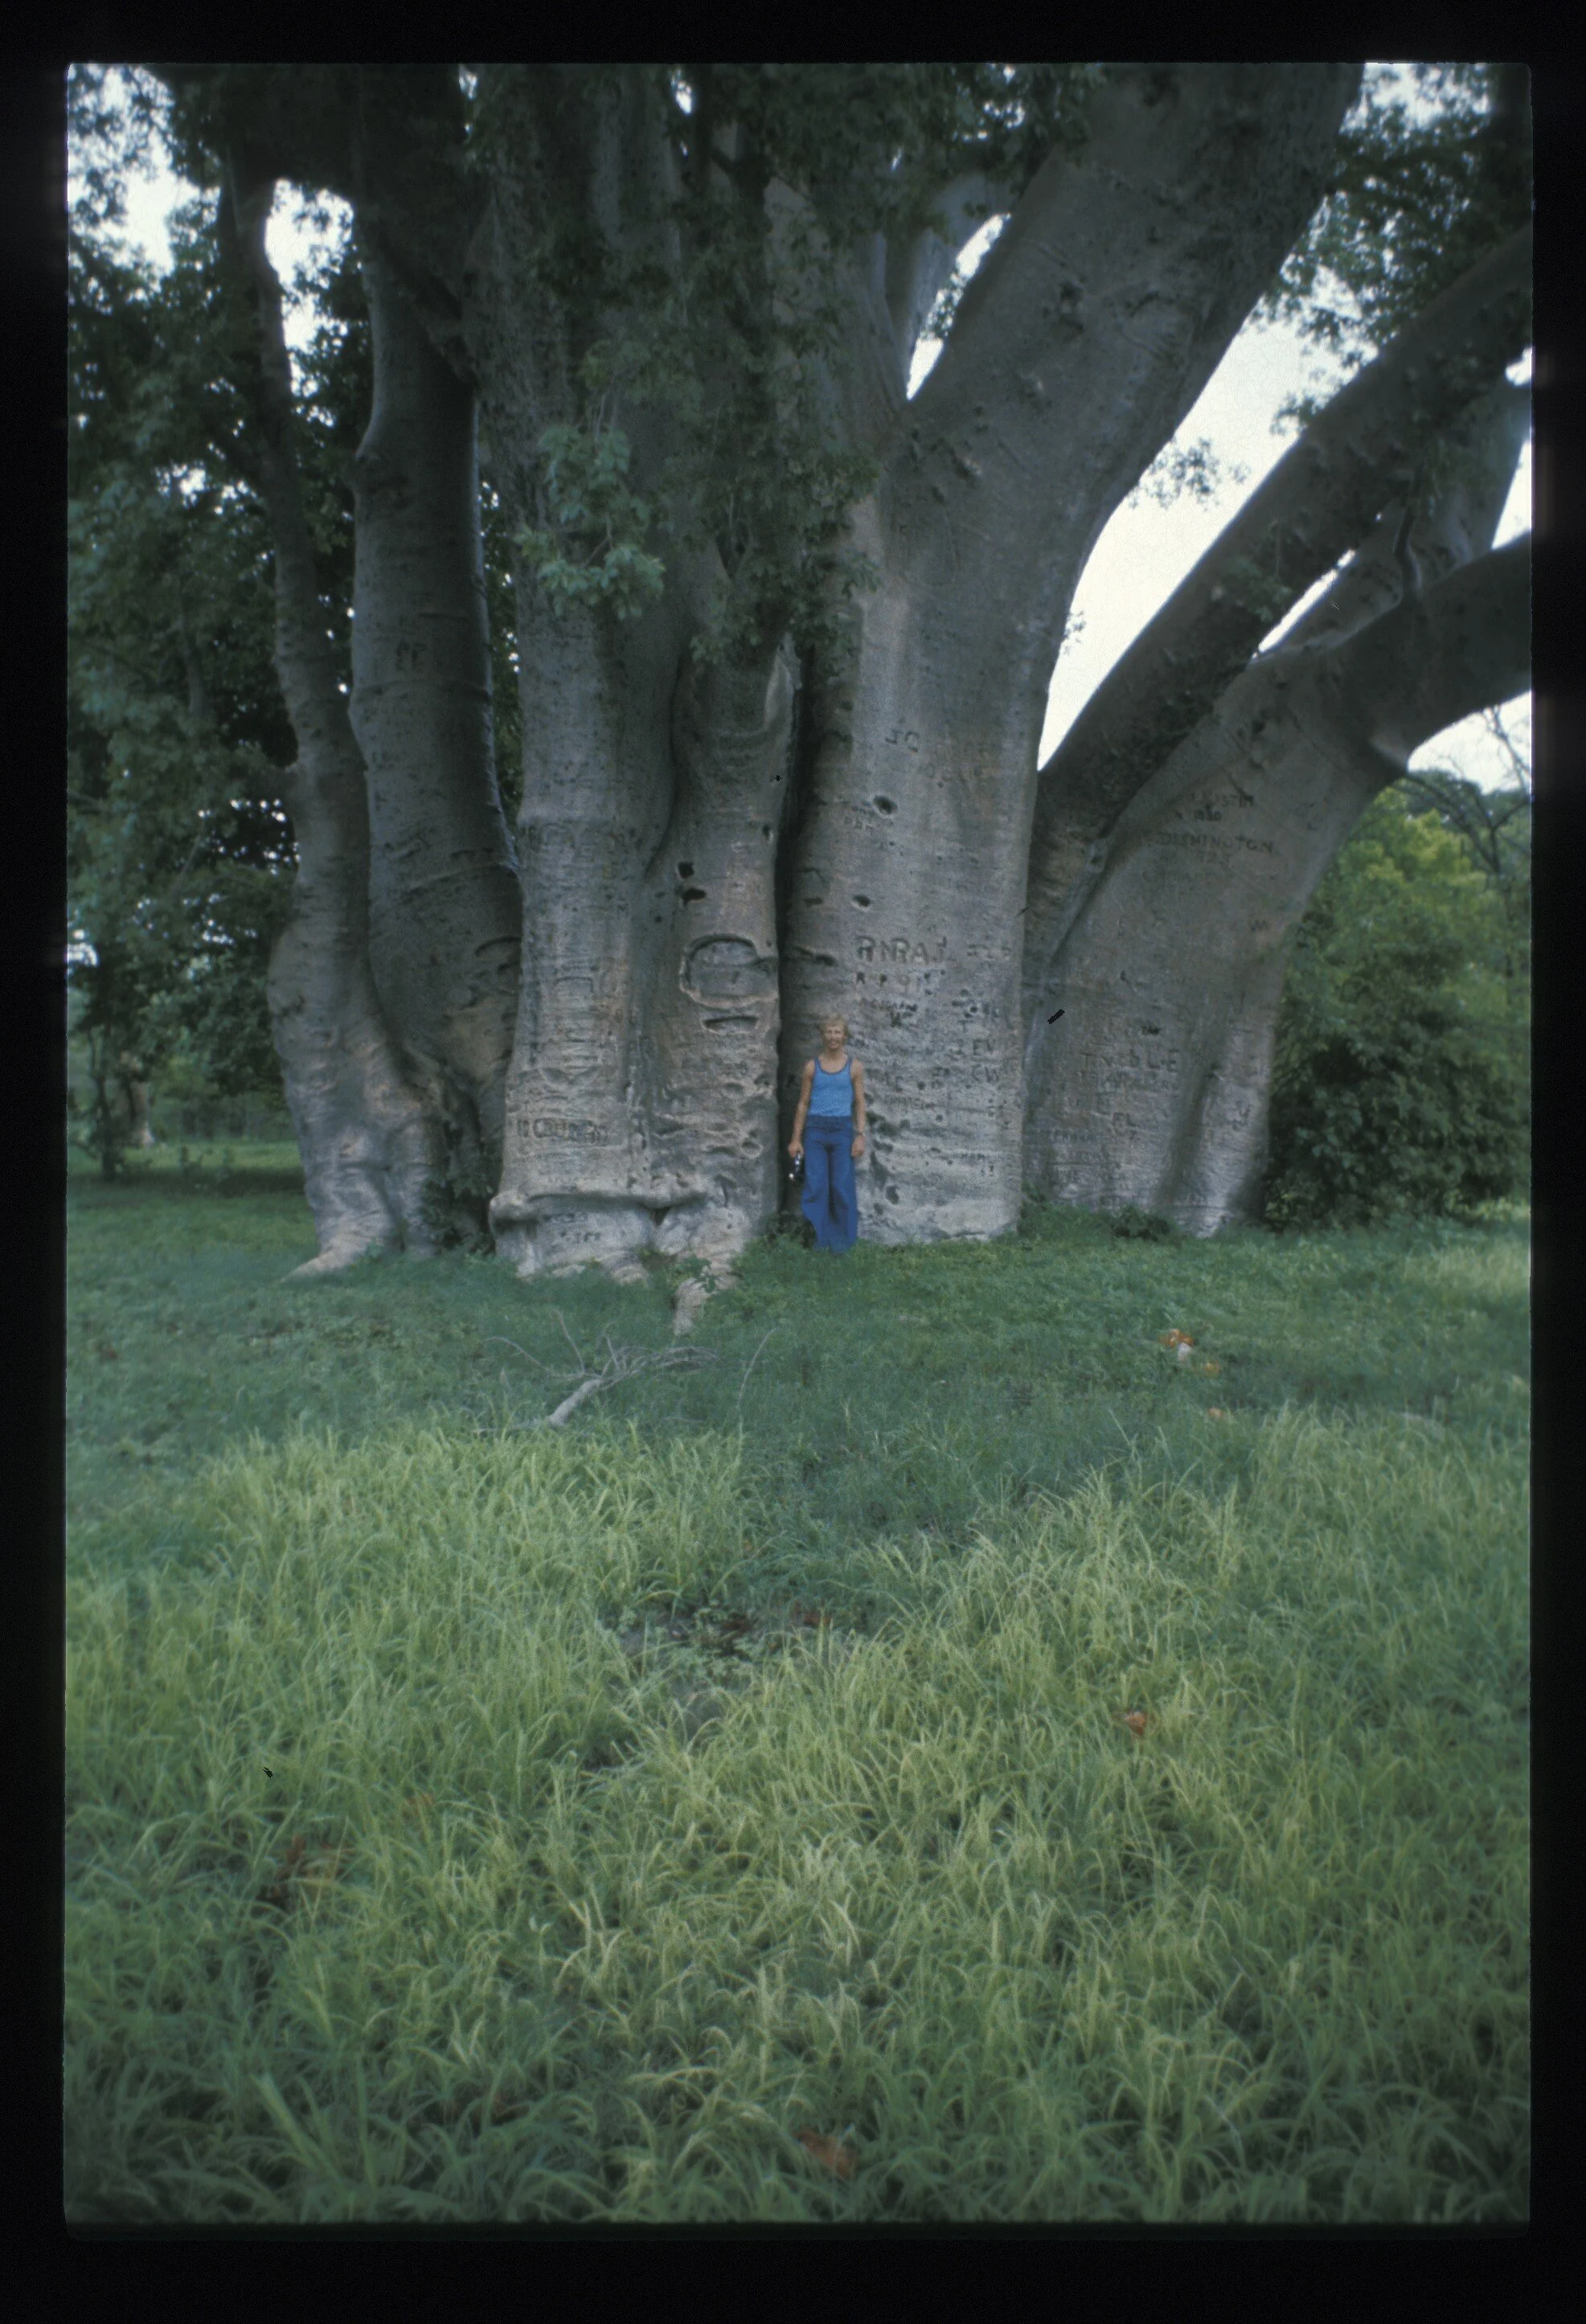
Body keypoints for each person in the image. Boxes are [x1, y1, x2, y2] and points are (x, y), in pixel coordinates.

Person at [788, 1015, 866, 1253]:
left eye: (837, 1032)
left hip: (842, 1131)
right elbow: (803, 1104)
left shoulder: (855, 1067)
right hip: (816, 1132)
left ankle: (843, 1246)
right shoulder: (812, 1066)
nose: (833, 1037)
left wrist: (860, 1134)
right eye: (829, 1032)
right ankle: (819, 1242)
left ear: (845, 1036)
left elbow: (860, 1102)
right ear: (823, 1036)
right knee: (816, 1186)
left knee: (842, 1187)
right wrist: (795, 1139)